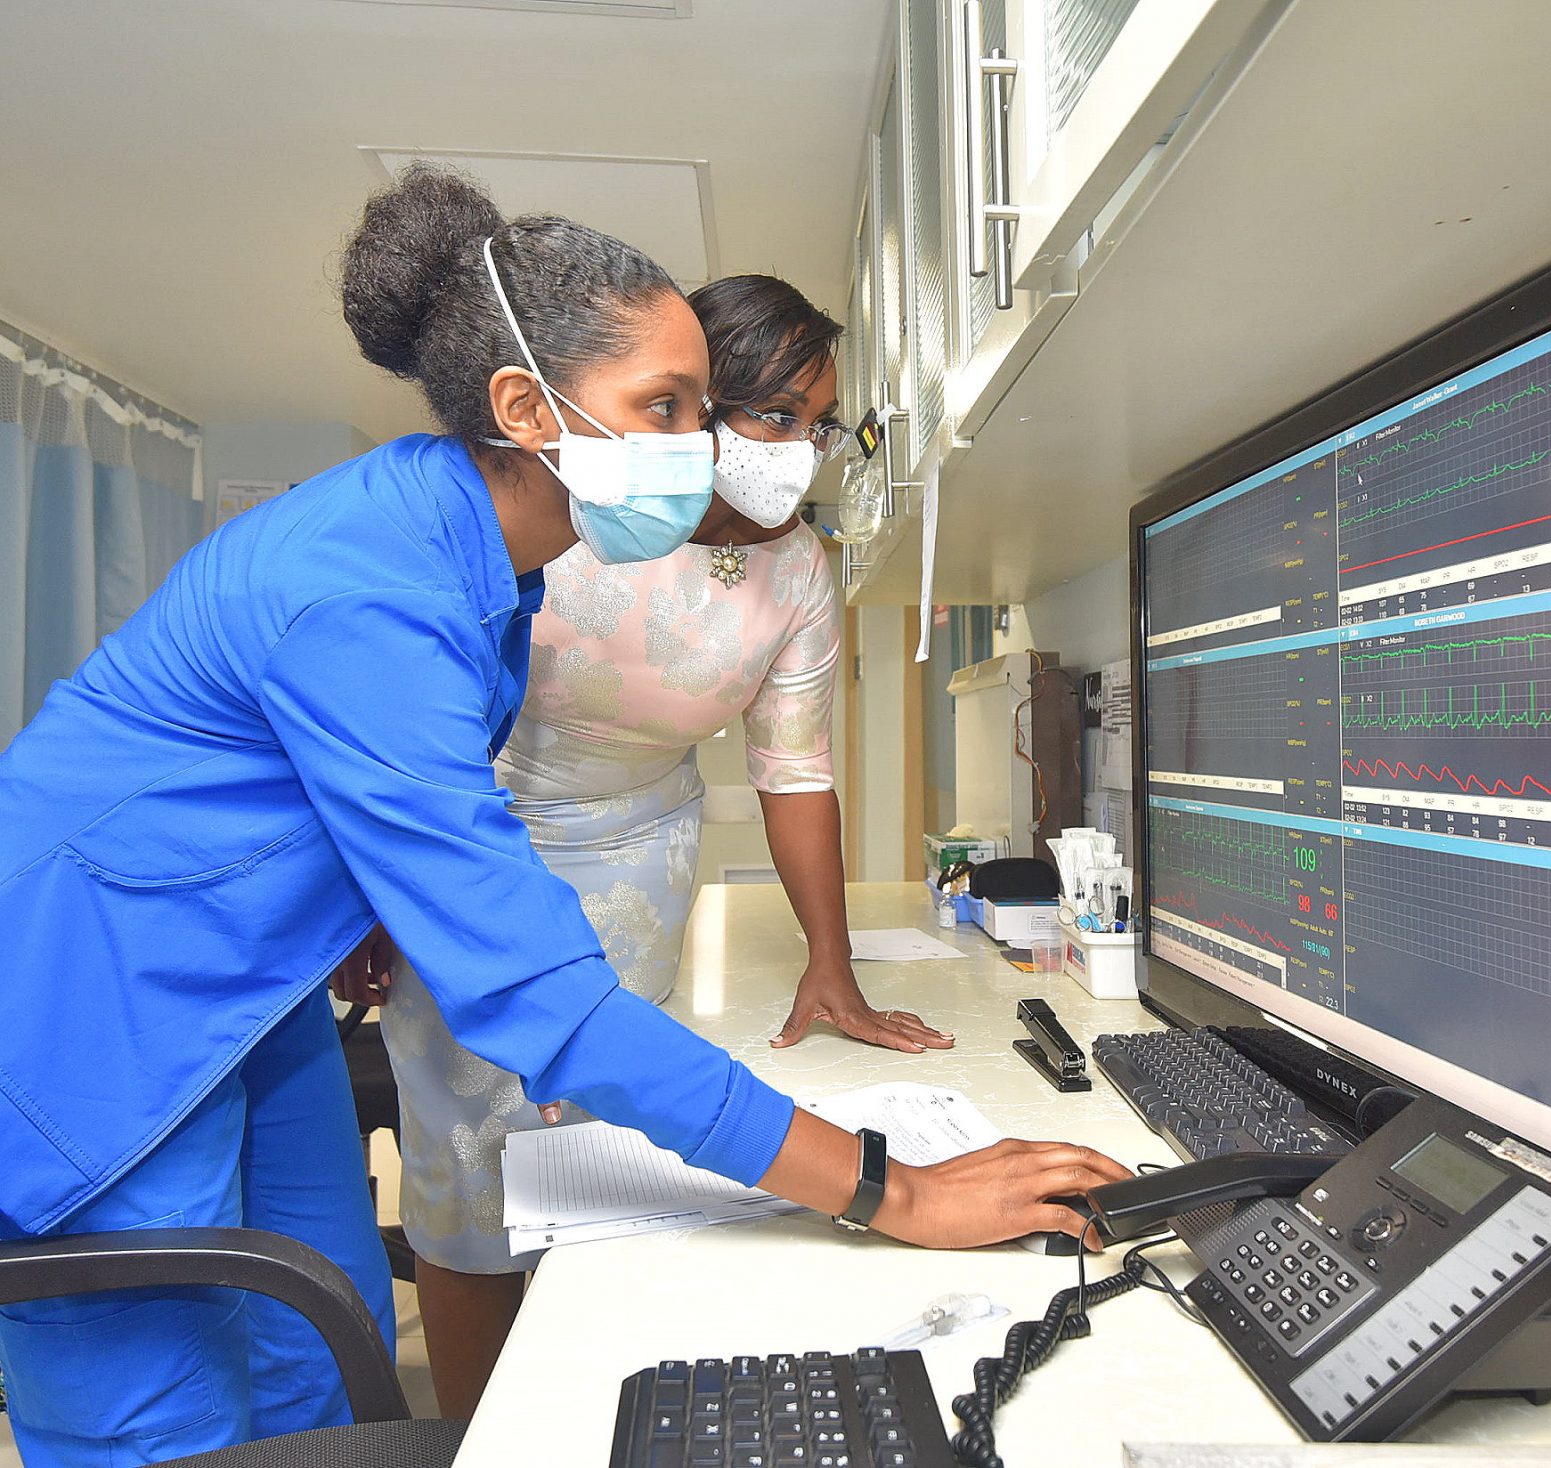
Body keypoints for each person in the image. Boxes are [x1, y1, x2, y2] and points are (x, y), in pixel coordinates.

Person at [0, 164, 1127, 1467]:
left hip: (250, 990)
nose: (707, 448)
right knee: (165, 1416)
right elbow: (546, 1001)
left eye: (706, 409)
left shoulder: (485, 560)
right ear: (527, 408)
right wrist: (895, 1188)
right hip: (95, 1001)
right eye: (666, 406)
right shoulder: (367, 582)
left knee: (320, 1348)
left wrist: (365, 903)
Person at [366, 272, 944, 1417]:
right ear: (691, 407)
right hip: (483, 842)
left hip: (644, 857)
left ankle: (584, 1397)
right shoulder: (570, 514)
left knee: (606, 1146)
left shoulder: (796, 573)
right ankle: (487, 1429)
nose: (799, 450)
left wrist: (830, 963)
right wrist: (375, 896)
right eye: (771, 416)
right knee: (471, 1168)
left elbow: (794, 768)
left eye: (816, 425)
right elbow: (403, 728)